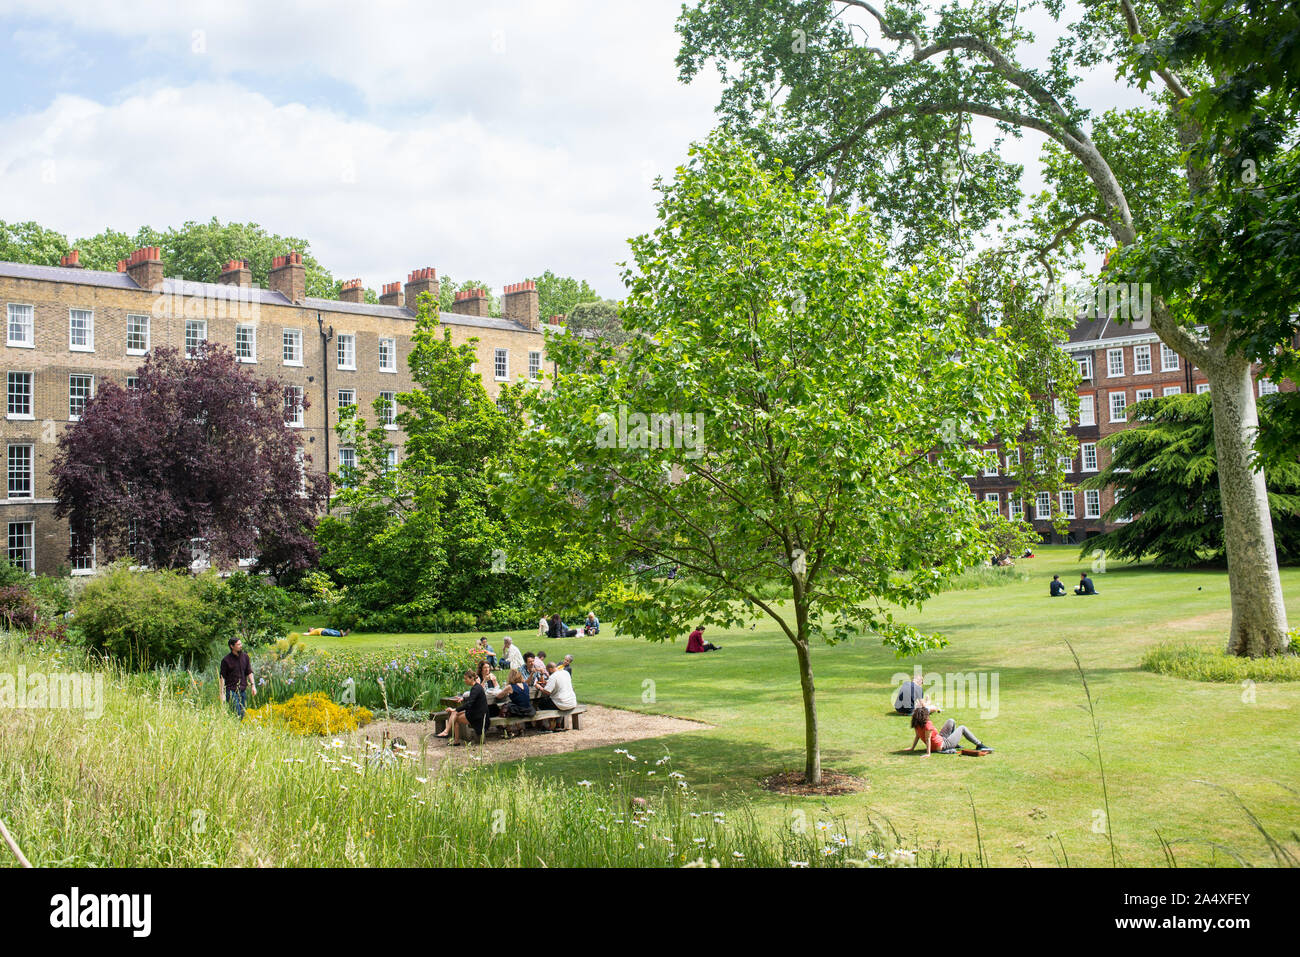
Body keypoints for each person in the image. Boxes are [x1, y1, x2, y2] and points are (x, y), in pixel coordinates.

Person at [908, 704, 992, 756]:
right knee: (962, 728)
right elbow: (928, 739)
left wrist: (912, 748)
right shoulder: (927, 724)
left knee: (951, 721)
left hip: (940, 739)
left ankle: (955, 744)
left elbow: (917, 736)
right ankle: (979, 745)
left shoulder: (916, 724)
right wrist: (928, 753)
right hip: (942, 745)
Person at [437, 671, 489, 746]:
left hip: (479, 717)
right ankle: (449, 734)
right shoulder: (477, 687)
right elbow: (473, 699)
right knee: (454, 714)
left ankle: (450, 735)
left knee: (455, 717)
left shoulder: (475, 688)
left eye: (466, 679)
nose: (464, 680)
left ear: (471, 678)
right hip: (478, 713)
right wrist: (463, 699)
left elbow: (469, 704)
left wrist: (455, 709)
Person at [218, 636, 257, 719]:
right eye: (238, 644)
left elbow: (249, 671)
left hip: (242, 690)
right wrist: (222, 693)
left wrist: (253, 685)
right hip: (231, 691)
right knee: (237, 713)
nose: (241, 645)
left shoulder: (245, 657)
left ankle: (238, 730)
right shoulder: (226, 660)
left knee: (242, 714)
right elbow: (222, 677)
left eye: (241, 644)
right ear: (232, 646)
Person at [538, 660, 578, 731]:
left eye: (548, 671)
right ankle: (558, 724)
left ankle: (546, 726)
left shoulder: (553, 676)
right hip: (572, 701)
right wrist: (548, 682)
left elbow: (547, 692)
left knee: (541, 704)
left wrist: (539, 687)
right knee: (555, 703)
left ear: (550, 669)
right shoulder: (566, 673)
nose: (548, 673)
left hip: (562, 704)